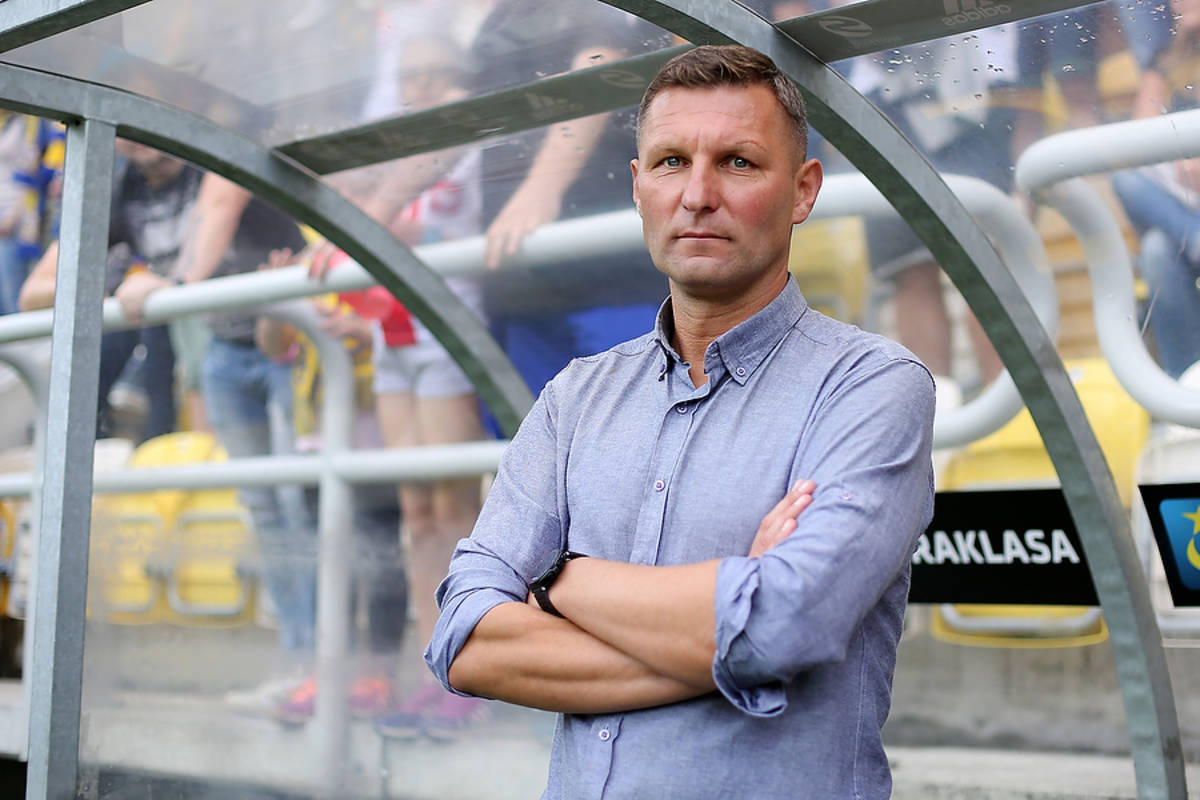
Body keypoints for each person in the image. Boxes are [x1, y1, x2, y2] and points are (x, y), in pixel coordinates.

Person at [426, 45, 935, 797]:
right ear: (639, 187)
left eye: (737, 162)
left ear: (803, 190)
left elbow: (783, 626)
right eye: (671, 162)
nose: (698, 194)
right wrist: (722, 636)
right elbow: (463, 642)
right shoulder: (575, 397)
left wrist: (559, 578)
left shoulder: (869, 387)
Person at [19, 141, 197, 442]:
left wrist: (164, 284)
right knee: (127, 317)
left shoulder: (209, 172)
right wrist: (99, 289)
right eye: (126, 127)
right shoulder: (119, 189)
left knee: (152, 316)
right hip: (161, 323)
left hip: (224, 326)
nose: (136, 136)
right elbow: (31, 295)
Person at [1110, 0, 1200, 378]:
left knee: (1158, 248)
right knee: (1127, 182)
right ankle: (1187, 383)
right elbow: (1139, 143)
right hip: (1187, 202)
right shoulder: (1170, 59)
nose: (1176, 2)